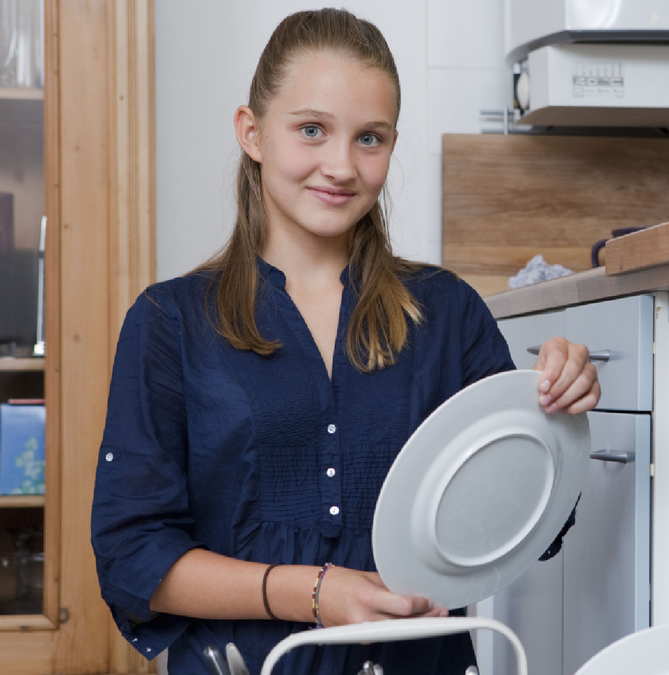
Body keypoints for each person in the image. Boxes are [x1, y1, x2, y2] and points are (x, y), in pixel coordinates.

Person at [90, 9, 600, 675]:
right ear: (252, 132)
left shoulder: (448, 312)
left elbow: (526, 523)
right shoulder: (169, 321)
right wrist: (312, 592)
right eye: (311, 130)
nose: (341, 165)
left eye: (370, 138)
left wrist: (554, 414)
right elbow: (134, 556)